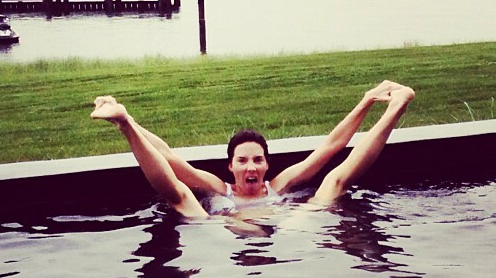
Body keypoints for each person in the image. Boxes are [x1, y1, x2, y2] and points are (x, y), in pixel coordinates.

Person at [90, 80, 415, 220]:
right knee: (180, 195)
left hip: (289, 229)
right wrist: (128, 122)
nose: (251, 167)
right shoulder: (220, 189)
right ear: (230, 166)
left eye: (258, 160)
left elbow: (330, 147)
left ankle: (396, 107)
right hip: (220, 231)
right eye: (242, 160)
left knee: (335, 182)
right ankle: (125, 125)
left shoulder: (279, 185)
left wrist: (367, 100)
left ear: (267, 165)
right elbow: (170, 157)